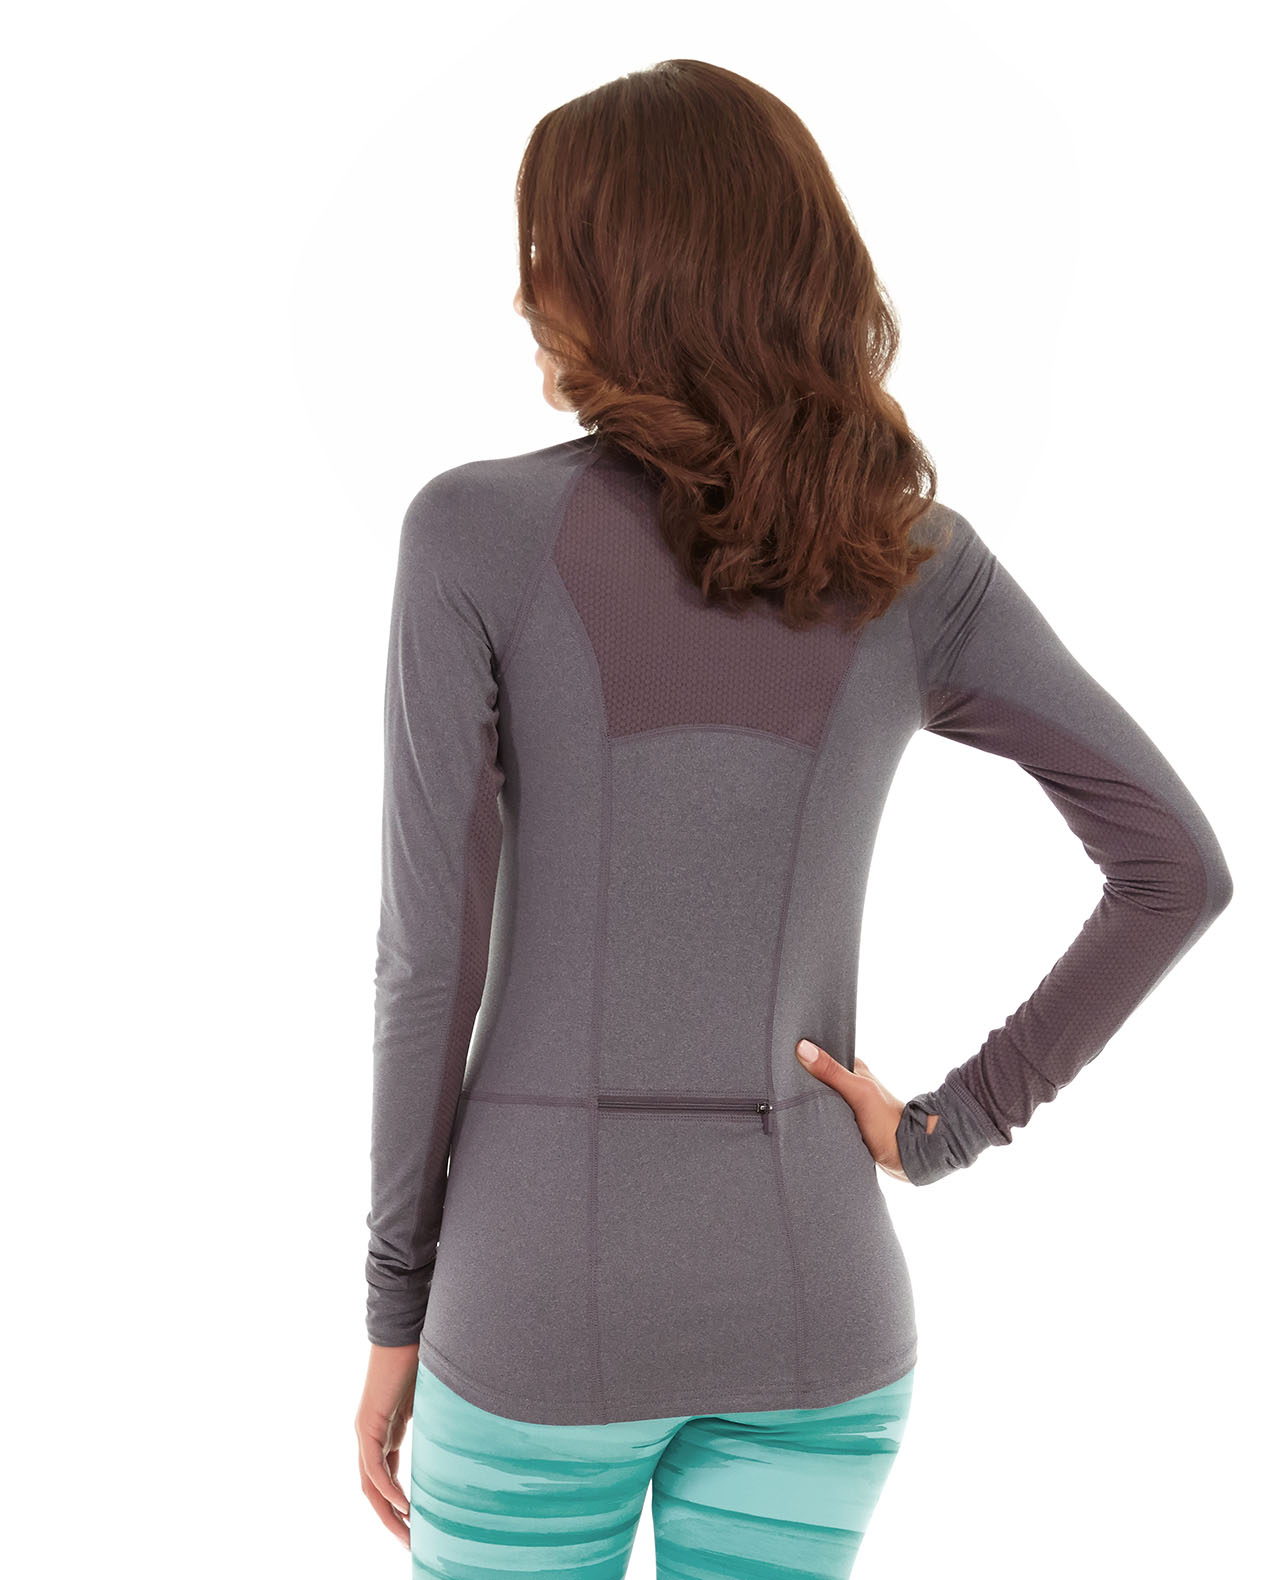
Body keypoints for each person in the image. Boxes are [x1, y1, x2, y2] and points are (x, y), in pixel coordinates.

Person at [353, 59, 1233, 1576]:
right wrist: (947, 1129)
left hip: (536, 1307)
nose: (526, 293)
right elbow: (1176, 866)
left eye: (549, 251)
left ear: (623, 277)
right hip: (818, 1319)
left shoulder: (475, 534)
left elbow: (425, 965)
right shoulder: (912, 559)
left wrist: (391, 1311)